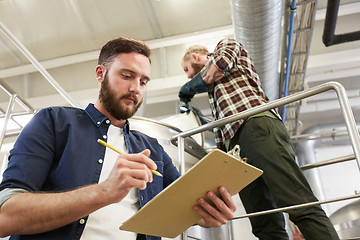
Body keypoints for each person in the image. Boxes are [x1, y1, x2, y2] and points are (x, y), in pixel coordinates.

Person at [0, 37, 237, 240]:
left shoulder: (153, 149)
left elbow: (185, 203)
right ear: (100, 73)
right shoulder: (54, 123)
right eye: (127, 75)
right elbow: (5, 216)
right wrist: (104, 192)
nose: (136, 88)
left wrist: (206, 214)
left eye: (143, 82)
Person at [179, 38, 340, 240]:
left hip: (258, 126)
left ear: (195, 57)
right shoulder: (215, 90)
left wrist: (188, 88)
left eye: (186, 69)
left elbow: (220, 64)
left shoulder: (226, 45)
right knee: (263, 224)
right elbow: (229, 123)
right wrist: (204, 122)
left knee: (298, 204)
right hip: (237, 147)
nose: (187, 75)